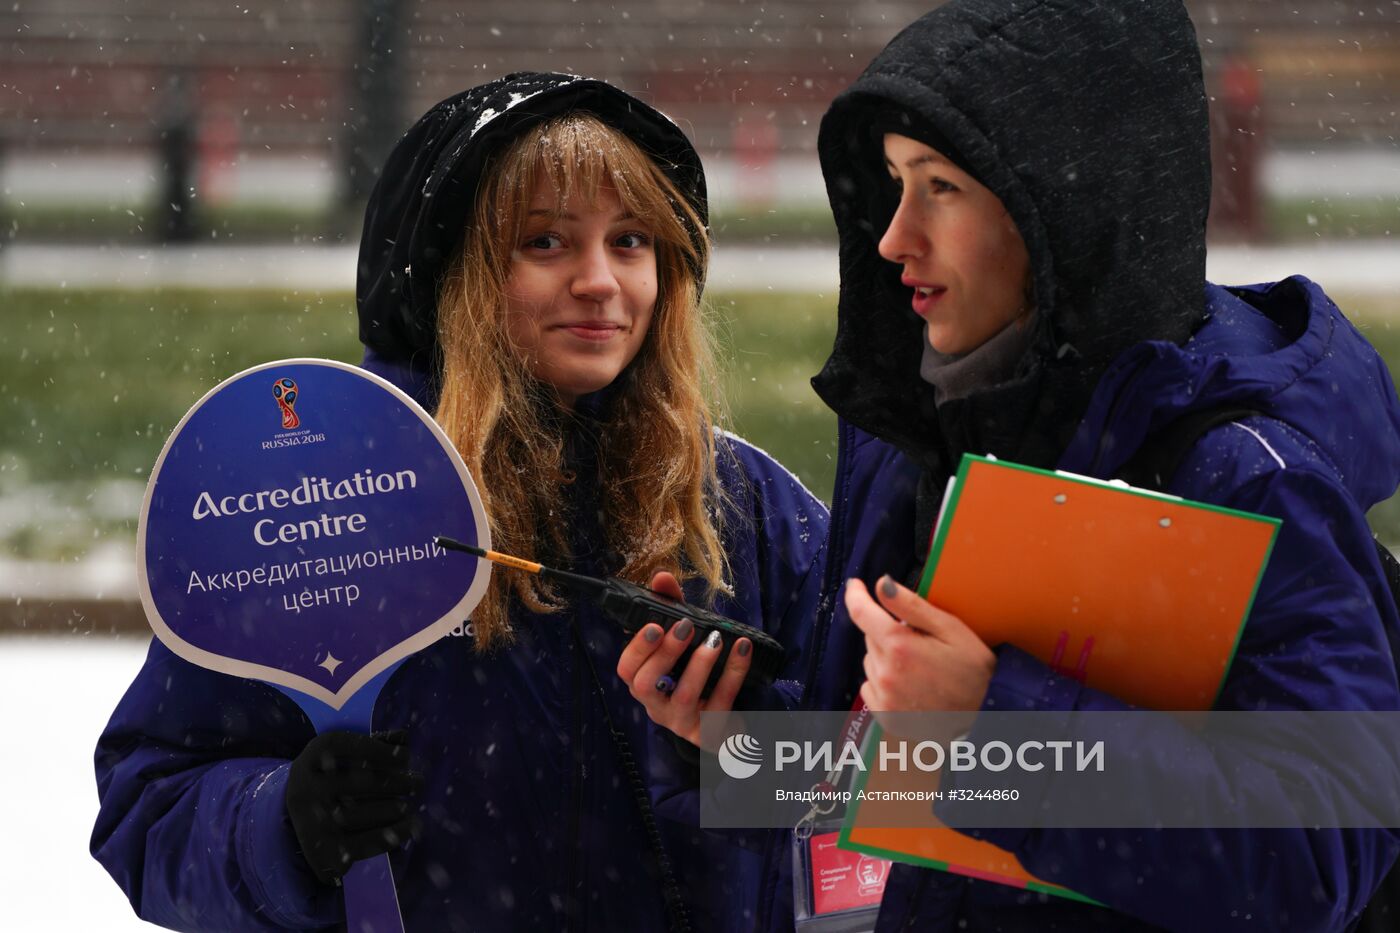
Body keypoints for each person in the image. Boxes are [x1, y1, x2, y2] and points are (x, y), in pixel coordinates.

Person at [91, 72, 828, 932]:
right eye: (546, 243)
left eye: (631, 241)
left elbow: (922, 789)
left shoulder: (743, 506)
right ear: (455, 279)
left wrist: (745, 752)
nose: (600, 281)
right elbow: (150, 806)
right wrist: (281, 826)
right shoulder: (320, 498)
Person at [796, 0, 1400, 930]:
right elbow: (869, 775)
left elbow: (1328, 844)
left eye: (941, 187)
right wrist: (729, 741)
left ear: (1067, 210)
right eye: (892, 183)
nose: (893, 237)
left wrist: (994, 733)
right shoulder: (909, 431)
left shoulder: (1245, 474)